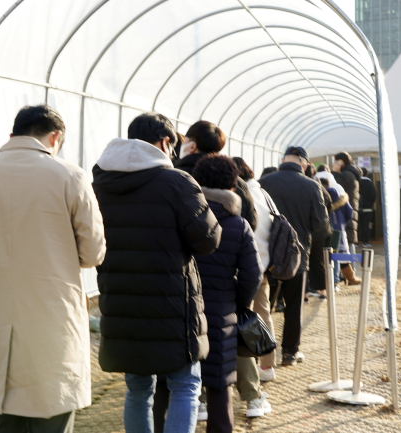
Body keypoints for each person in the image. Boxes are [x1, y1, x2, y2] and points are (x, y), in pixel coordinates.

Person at [0, 104, 107, 433]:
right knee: (52, 407)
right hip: (52, 319)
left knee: (0, 411)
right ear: (55, 137)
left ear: (12, 135)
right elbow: (93, 253)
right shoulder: (70, 176)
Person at [93, 112, 222, 433]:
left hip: (120, 301)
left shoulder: (99, 183)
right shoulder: (177, 182)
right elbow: (207, 240)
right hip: (172, 304)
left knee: (138, 390)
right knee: (185, 385)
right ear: (166, 142)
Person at [192, 154, 263, 432]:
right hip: (222, 311)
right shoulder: (238, 224)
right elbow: (253, 274)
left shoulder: (182, 217)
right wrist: (239, 302)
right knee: (220, 386)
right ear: (233, 187)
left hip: (180, 310)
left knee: (177, 386)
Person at [259, 146, 329, 366]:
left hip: (266, 254)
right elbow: (320, 225)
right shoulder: (311, 186)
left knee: (264, 306)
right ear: (305, 163)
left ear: (283, 160)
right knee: (293, 306)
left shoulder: (265, 182)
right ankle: (290, 352)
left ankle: (261, 355)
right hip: (296, 255)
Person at [231, 157, 277, 415]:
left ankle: (249, 383)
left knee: (240, 324)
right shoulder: (263, 195)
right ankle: (267, 365)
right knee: (260, 315)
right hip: (261, 265)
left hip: (238, 267)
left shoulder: (240, 196)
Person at [174, 120, 257, 231]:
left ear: (192, 146)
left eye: (185, 140)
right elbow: (251, 222)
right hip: (232, 244)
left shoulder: (176, 176)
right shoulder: (237, 181)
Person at [331, 152, 362, 285]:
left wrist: (334, 171)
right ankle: (351, 275)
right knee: (349, 241)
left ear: (341, 162)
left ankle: (348, 275)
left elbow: (334, 185)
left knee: (345, 243)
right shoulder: (352, 173)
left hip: (344, 212)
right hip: (350, 211)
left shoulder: (346, 175)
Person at [319, 177, 354, 289]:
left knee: (324, 256)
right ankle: (335, 281)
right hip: (339, 229)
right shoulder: (339, 196)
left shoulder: (319, 195)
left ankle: (325, 281)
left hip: (324, 230)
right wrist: (342, 222)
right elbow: (349, 213)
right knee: (336, 255)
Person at [305, 164, 332, 302]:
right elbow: (329, 202)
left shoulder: (302, 185)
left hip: (305, 229)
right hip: (320, 230)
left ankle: (304, 295)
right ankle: (323, 292)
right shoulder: (319, 186)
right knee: (317, 261)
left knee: (303, 262)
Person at [359, 168, 377, 247]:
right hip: (368, 208)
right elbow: (374, 195)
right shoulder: (369, 183)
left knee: (357, 225)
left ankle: (355, 242)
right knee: (366, 225)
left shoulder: (356, 182)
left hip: (357, 208)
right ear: (367, 174)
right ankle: (365, 242)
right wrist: (370, 203)